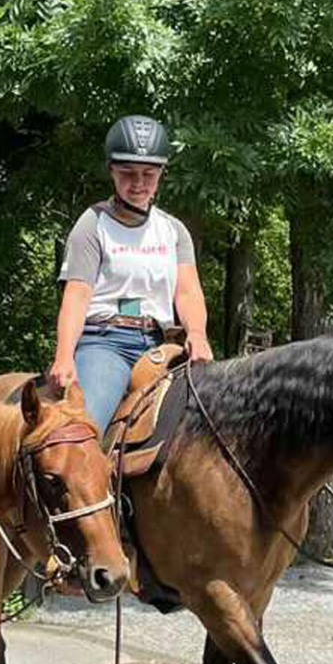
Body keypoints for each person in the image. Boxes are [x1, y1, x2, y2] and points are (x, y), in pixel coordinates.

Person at [48, 114, 213, 437]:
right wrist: (64, 356)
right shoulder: (92, 224)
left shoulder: (173, 230)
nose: (138, 183)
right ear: (111, 171)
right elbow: (77, 295)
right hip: (105, 343)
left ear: (161, 174)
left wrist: (198, 334)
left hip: (160, 345)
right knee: (83, 432)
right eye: (128, 173)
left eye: (148, 173)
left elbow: (188, 292)